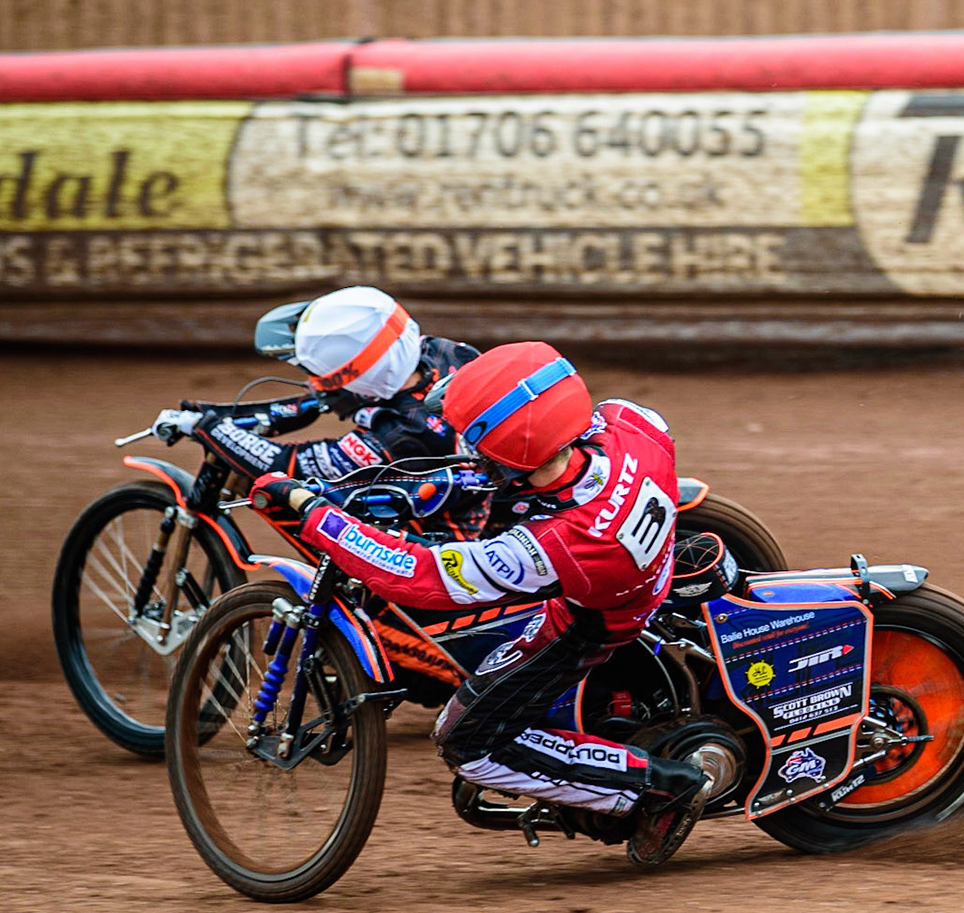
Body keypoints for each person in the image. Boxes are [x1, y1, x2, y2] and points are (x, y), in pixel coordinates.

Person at [248, 341, 711, 864]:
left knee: (465, 741)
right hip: (646, 567)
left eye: (476, 439)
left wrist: (315, 515)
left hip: (590, 623)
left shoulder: (552, 544)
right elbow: (532, 464)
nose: (468, 447)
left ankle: (656, 789)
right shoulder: (631, 424)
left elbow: (418, 577)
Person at [149, 286, 488, 535]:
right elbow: (318, 401)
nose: (312, 383)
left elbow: (284, 464)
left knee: (303, 497)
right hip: (482, 502)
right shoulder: (442, 353)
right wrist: (215, 416)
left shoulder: (402, 433)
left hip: (436, 547)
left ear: (358, 379)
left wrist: (207, 426)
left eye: (319, 376)